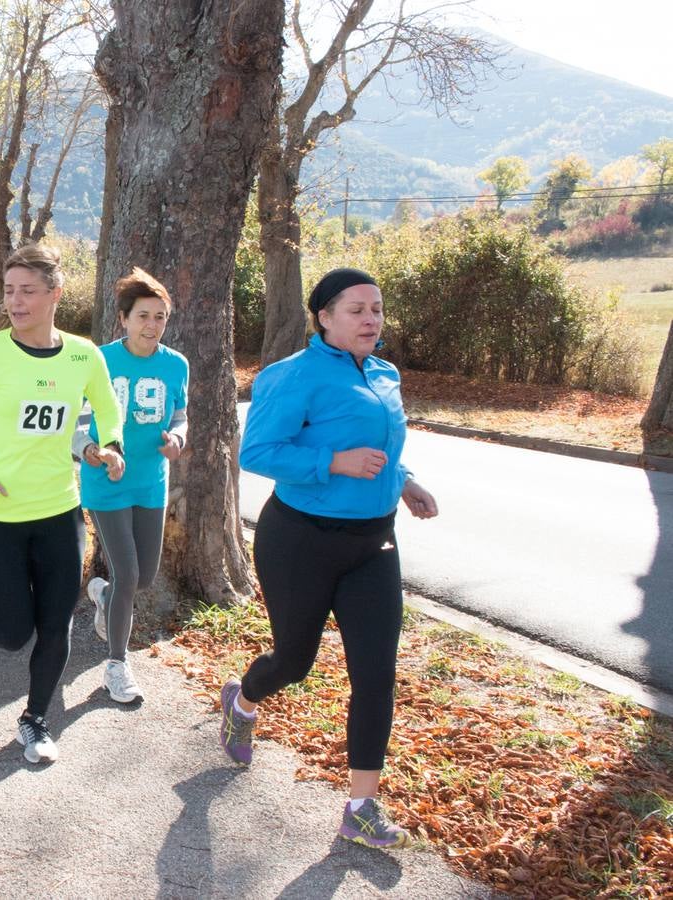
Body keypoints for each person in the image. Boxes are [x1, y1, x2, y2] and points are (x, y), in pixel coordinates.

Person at [223, 267, 439, 849]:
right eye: (356, 310)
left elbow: (388, 446)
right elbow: (258, 451)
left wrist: (404, 480)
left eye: (376, 308)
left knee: (376, 674)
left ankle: (361, 805)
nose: (371, 319)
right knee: (295, 662)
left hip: (374, 543)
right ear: (324, 316)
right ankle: (242, 701)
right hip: (301, 541)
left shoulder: (386, 374)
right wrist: (334, 463)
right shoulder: (291, 376)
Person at [0, 243, 124, 764]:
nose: (16, 301)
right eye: (9, 291)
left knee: (57, 622)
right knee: (15, 630)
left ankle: (35, 718)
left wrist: (109, 448)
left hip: (59, 511)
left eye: (27, 291)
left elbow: (108, 414)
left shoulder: (83, 355)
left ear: (55, 294)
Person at [76, 267, 189, 705]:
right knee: (127, 574)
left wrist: (178, 437)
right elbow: (78, 421)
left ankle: (103, 596)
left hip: (150, 482)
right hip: (106, 480)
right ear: (124, 319)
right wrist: (94, 452)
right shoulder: (98, 359)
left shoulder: (176, 364)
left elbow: (179, 413)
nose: (152, 325)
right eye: (144, 315)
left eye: (160, 317)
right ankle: (116, 665)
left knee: (143, 577)